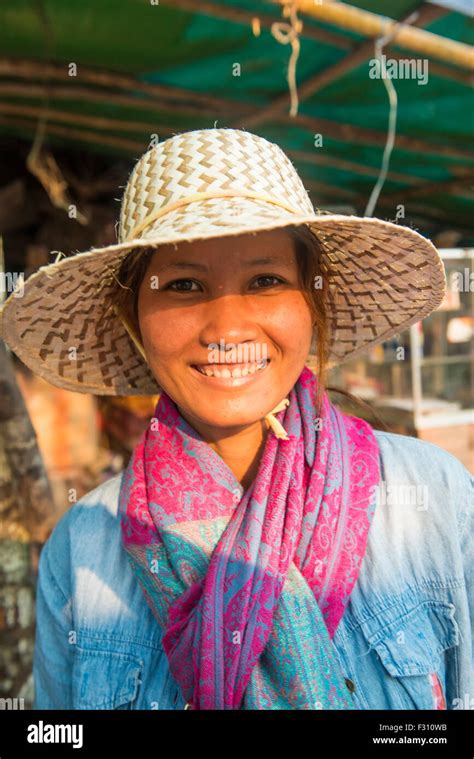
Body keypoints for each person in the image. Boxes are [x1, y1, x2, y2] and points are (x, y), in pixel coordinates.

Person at [1, 128, 471, 710]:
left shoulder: (437, 499)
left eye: (266, 281)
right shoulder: (82, 547)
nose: (226, 330)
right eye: (183, 285)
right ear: (134, 320)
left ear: (312, 302)